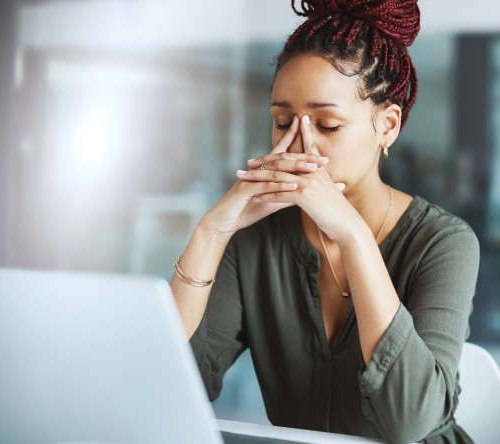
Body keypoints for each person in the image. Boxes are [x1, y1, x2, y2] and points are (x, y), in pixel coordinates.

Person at [168, 1, 479, 443]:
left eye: (329, 125)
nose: (300, 145)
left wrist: (352, 234)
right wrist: (210, 233)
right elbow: (176, 386)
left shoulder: (443, 242)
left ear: (387, 126)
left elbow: (409, 422)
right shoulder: (256, 238)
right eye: (281, 122)